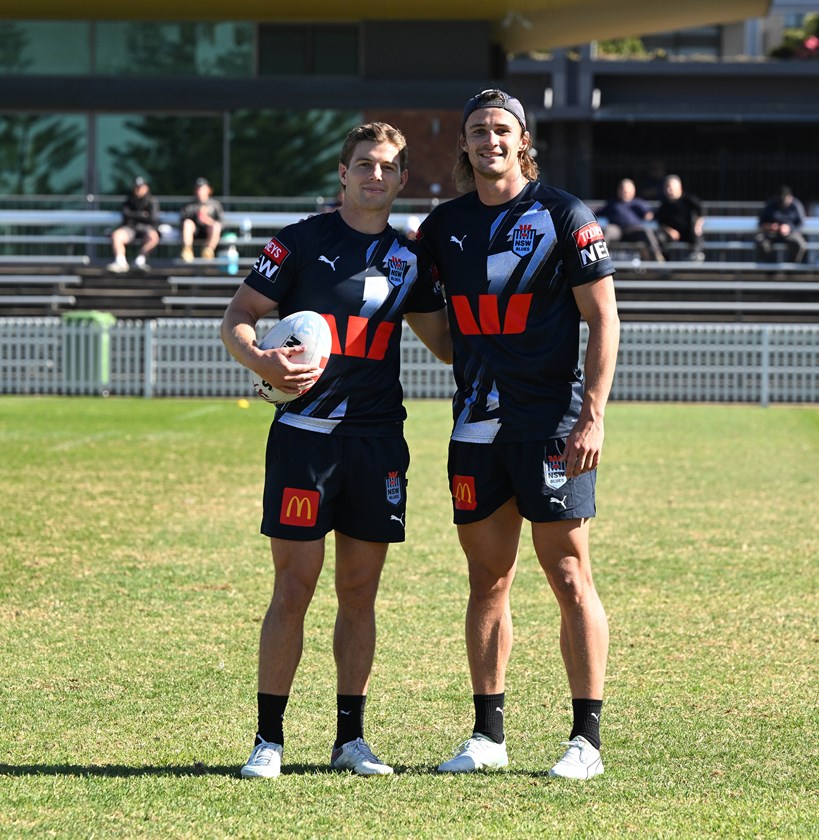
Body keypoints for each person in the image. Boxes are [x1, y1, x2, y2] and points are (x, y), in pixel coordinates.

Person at [220, 122, 451, 780]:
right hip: (304, 441)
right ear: (342, 174)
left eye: (386, 167)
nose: (373, 176)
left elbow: (448, 345)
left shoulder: (412, 261)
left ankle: (350, 740)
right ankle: (268, 740)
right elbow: (235, 317)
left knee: (358, 591)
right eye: (362, 165)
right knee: (292, 587)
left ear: (403, 179)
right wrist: (260, 357)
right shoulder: (297, 243)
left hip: (377, 442)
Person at [413, 89, 620, 780]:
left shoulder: (562, 213)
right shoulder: (442, 228)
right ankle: (486, 737)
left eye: (501, 128)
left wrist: (591, 414)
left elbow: (604, 319)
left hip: (551, 427)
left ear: (522, 139)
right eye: (477, 130)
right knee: (487, 581)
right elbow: (445, 343)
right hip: (474, 429)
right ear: (464, 145)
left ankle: (584, 741)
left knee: (567, 575)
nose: (489, 139)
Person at [598, 178, 664, 262]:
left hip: (633, 230)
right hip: (617, 230)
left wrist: (650, 215)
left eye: (627, 189)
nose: (624, 191)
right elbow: (598, 213)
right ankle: (600, 260)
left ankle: (657, 257)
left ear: (633, 191)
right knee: (607, 231)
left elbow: (649, 215)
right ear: (618, 190)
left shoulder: (638, 203)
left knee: (646, 231)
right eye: (622, 189)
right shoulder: (612, 203)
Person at [107, 176, 160, 273]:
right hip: (130, 228)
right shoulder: (129, 200)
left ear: (146, 187)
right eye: (136, 187)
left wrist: (134, 215)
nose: (138, 189)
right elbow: (125, 214)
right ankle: (120, 261)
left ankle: (140, 260)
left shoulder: (152, 201)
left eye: (140, 187)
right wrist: (142, 215)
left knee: (153, 237)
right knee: (117, 235)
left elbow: (153, 218)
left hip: (146, 228)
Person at [655, 174, 705, 261]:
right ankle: (665, 263)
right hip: (672, 235)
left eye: (671, 188)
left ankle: (696, 256)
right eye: (667, 188)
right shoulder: (664, 204)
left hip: (687, 232)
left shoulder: (688, 199)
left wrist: (698, 225)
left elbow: (701, 211)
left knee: (696, 234)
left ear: (679, 188)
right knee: (659, 237)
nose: (669, 190)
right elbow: (660, 221)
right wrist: (669, 230)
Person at [755, 185, 807, 264]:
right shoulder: (771, 204)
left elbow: (800, 223)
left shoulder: (796, 206)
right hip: (772, 234)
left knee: (799, 244)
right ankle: (770, 268)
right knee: (760, 241)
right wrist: (770, 226)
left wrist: (789, 228)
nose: (781, 203)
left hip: (790, 234)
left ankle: (791, 268)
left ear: (790, 197)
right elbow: (761, 222)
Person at [180, 178, 224, 262]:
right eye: (198, 189)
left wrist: (208, 220)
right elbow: (183, 219)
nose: (200, 191)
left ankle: (208, 251)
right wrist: (197, 213)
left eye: (202, 189)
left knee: (216, 226)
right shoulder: (190, 205)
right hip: (194, 233)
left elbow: (222, 223)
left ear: (208, 190)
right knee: (187, 223)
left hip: (209, 233)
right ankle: (187, 250)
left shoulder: (215, 205)